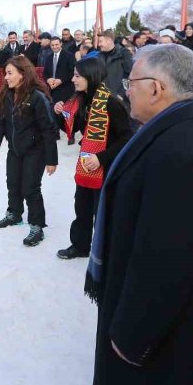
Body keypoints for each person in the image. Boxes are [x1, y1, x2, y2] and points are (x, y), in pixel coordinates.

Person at [88, 44, 193, 385]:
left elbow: (167, 257)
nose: (125, 90)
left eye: (130, 82)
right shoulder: (184, 129)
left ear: (156, 88)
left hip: (169, 335)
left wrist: (132, 336)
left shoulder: (180, 149)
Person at [54, 57, 133, 259]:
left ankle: (105, 251)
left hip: (107, 165)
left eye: (77, 76)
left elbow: (126, 138)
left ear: (91, 76)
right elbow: (70, 130)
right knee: (82, 206)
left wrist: (102, 158)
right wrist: (59, 114)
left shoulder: (111, 103)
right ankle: (80, 246)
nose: (73, 79)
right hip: (87, 162)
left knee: (103, 210)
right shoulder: (80, 100)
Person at [0, 56, 58, 247]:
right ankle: (14, 213)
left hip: (35, 150)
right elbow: (1, 123)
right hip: (15, 149)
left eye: (10, 73)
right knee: (13, 182)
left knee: (30, 187)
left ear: (23, 74)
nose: (6, 78)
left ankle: (36, 224)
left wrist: (52, 159)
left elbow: (49, 129)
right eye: (5, 73)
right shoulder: (7, 94)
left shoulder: (37, 97)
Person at [96, 30, 133, 100]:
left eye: (100, 41)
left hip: (120, 99)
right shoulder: (98, 56)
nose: (99, 44)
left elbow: (130, 75)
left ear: (109, 40)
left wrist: (121, 94)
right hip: (102, 98)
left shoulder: (124, 54)